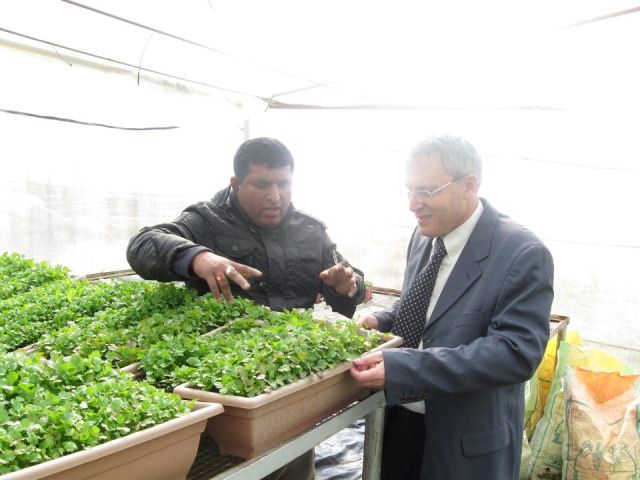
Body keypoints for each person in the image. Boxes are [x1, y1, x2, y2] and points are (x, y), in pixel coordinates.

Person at [127, 136, 365, 480]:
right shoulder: (206, 221)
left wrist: (349, 286)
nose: (275, 196)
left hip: (288, 387)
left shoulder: (310, 230)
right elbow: (143, 244)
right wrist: (197, 257)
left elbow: (348, 279)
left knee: (293, 467)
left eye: (283, 184)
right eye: (262, 184)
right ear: (236, 183)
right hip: (218, 391)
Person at [350, 135, 554, 480]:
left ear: (469, 185)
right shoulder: (425, 235)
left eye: (426, 192)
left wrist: (405, 368)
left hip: (465, 444)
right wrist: (380, 320)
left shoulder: (521, 253)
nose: (413, 205)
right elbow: (425, 307)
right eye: (409, 190)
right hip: (399, 421)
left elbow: (515, 353)